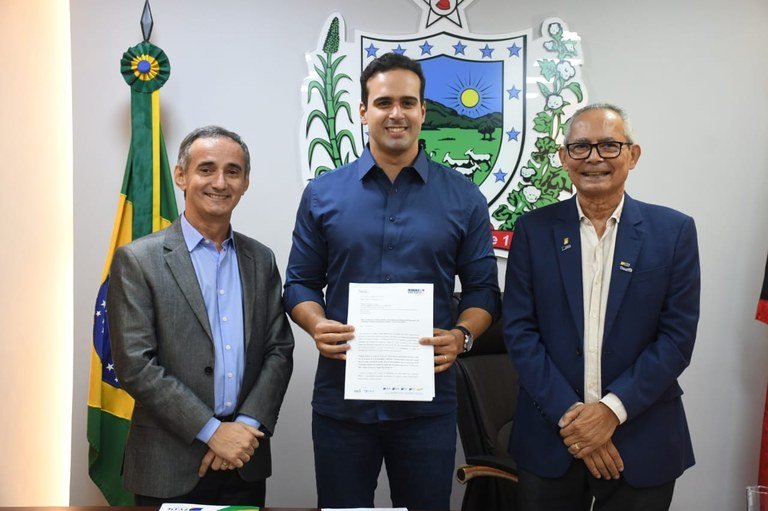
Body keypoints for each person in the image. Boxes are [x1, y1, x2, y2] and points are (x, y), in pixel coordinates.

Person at [284, 53, 500, 510]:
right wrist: (316, 324)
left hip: (427, 407)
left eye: (407, 102)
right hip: (342, 403)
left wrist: (462, 336)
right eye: (383, 102)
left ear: (423, 111)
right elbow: (299, 284)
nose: (396, 113)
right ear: (364, 112)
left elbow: (483, 292)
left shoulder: (464, 198)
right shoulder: (322, 194)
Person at [503, 104, 700, 510]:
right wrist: (576, 419)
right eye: (581, 147)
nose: (594, 158)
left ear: (633, 154)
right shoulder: (532, 230)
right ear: (564, 157)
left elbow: (676, 339)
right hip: (551, 437)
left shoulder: (674, 232)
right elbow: (519, 332)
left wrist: (610, 412)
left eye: (609, 145)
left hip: (642, 438)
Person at [108, 126, 295, 506]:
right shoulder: (138, 260)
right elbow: (136, 365)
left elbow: (279, 350)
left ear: (245, 183)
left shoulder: (261, 259)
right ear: (181, 176)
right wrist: (213, 432)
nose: (220, 182)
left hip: (244, 458)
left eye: (233, 172)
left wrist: (243, 428)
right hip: (167, 464)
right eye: (206, 169)